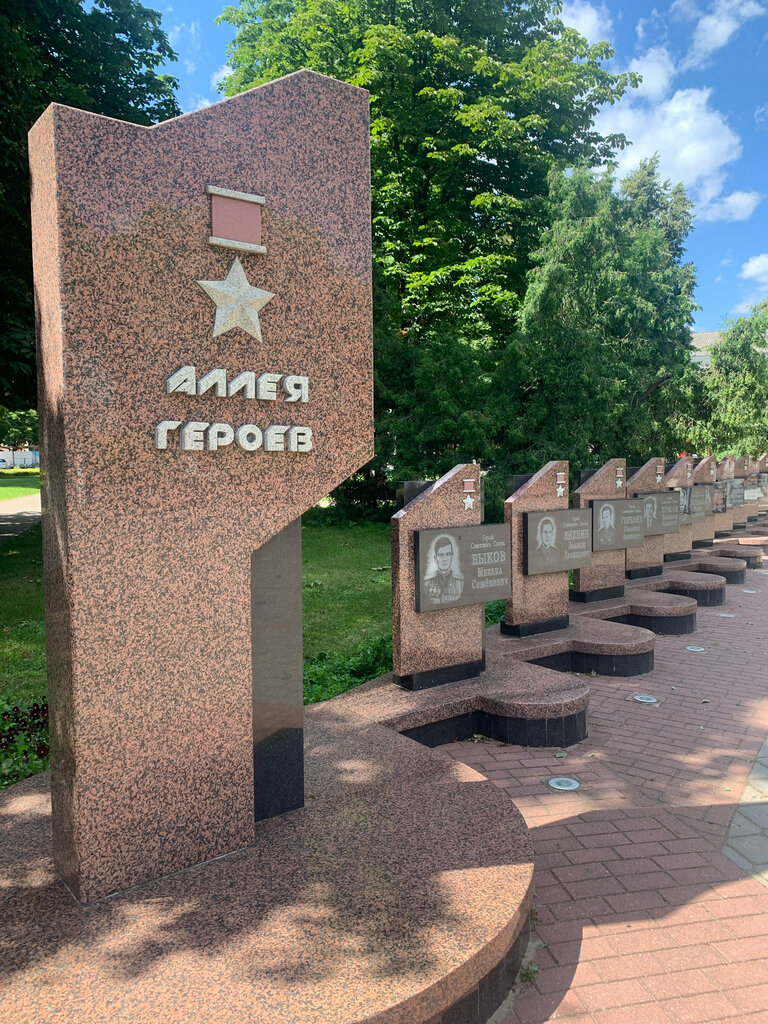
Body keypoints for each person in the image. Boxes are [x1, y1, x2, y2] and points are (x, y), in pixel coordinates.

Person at [423, 534, 464, 605]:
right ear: (435, 558)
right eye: (441, 555)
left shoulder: (460, 582)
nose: (445, 559)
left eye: (448, 554)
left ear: (452, 556)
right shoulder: (427, 582)